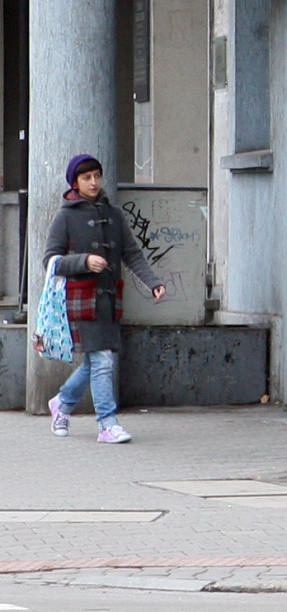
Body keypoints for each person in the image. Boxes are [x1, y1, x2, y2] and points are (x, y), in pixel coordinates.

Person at [38, 154, 166, 444]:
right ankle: (107, 423)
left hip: (109, 300)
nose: (93, 182)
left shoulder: (114, 214)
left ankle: (63, 402)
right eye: (87, 178)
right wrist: (84, 262)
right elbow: (51, 261)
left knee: (96, 361)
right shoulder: (65, 216)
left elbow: (132, 253)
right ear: (75, 182)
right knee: (103, 361)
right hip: (81, 300)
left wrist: (153, 282)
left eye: (97, 175)